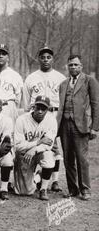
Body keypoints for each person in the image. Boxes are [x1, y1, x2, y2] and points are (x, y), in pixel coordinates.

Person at [23, 46, 66, 192]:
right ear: (38, 59)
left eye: (48, 57)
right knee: (38, 145)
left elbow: (64, 100)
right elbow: (26, 101)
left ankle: (55, 180)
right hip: (37, 113)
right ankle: (38, 176)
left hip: (54, 113)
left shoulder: (60, 78)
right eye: (43, 57)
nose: (45, 59)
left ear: (52, 59)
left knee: (54, 148)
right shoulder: (31, 78)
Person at [57, 55, 99, 201]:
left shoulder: (89, 81)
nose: (73, 67)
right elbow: (61, 107)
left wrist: (95, 127)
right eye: (71, 65)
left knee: (82, 159)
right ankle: (73, 189)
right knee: (68, 159)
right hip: (64, 124)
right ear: (67, 67)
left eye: (76, 65)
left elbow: (95, 104)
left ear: (81, 66)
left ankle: (85, 189)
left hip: (81, 125)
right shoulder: (63, 84)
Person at [14, 96, 57, 200]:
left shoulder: (51, 120)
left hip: (39, 152)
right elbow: (18, 146)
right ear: (33, 107)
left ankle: (43, 189)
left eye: (44, 109)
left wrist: (34, 149)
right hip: (24, 153)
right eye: (38, 108)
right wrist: (38, 142)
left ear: (48, 109)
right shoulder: (22, 120)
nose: (40, 111)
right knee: (24, 192)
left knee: (49, 158)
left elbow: (48, 144)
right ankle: (38, 177)